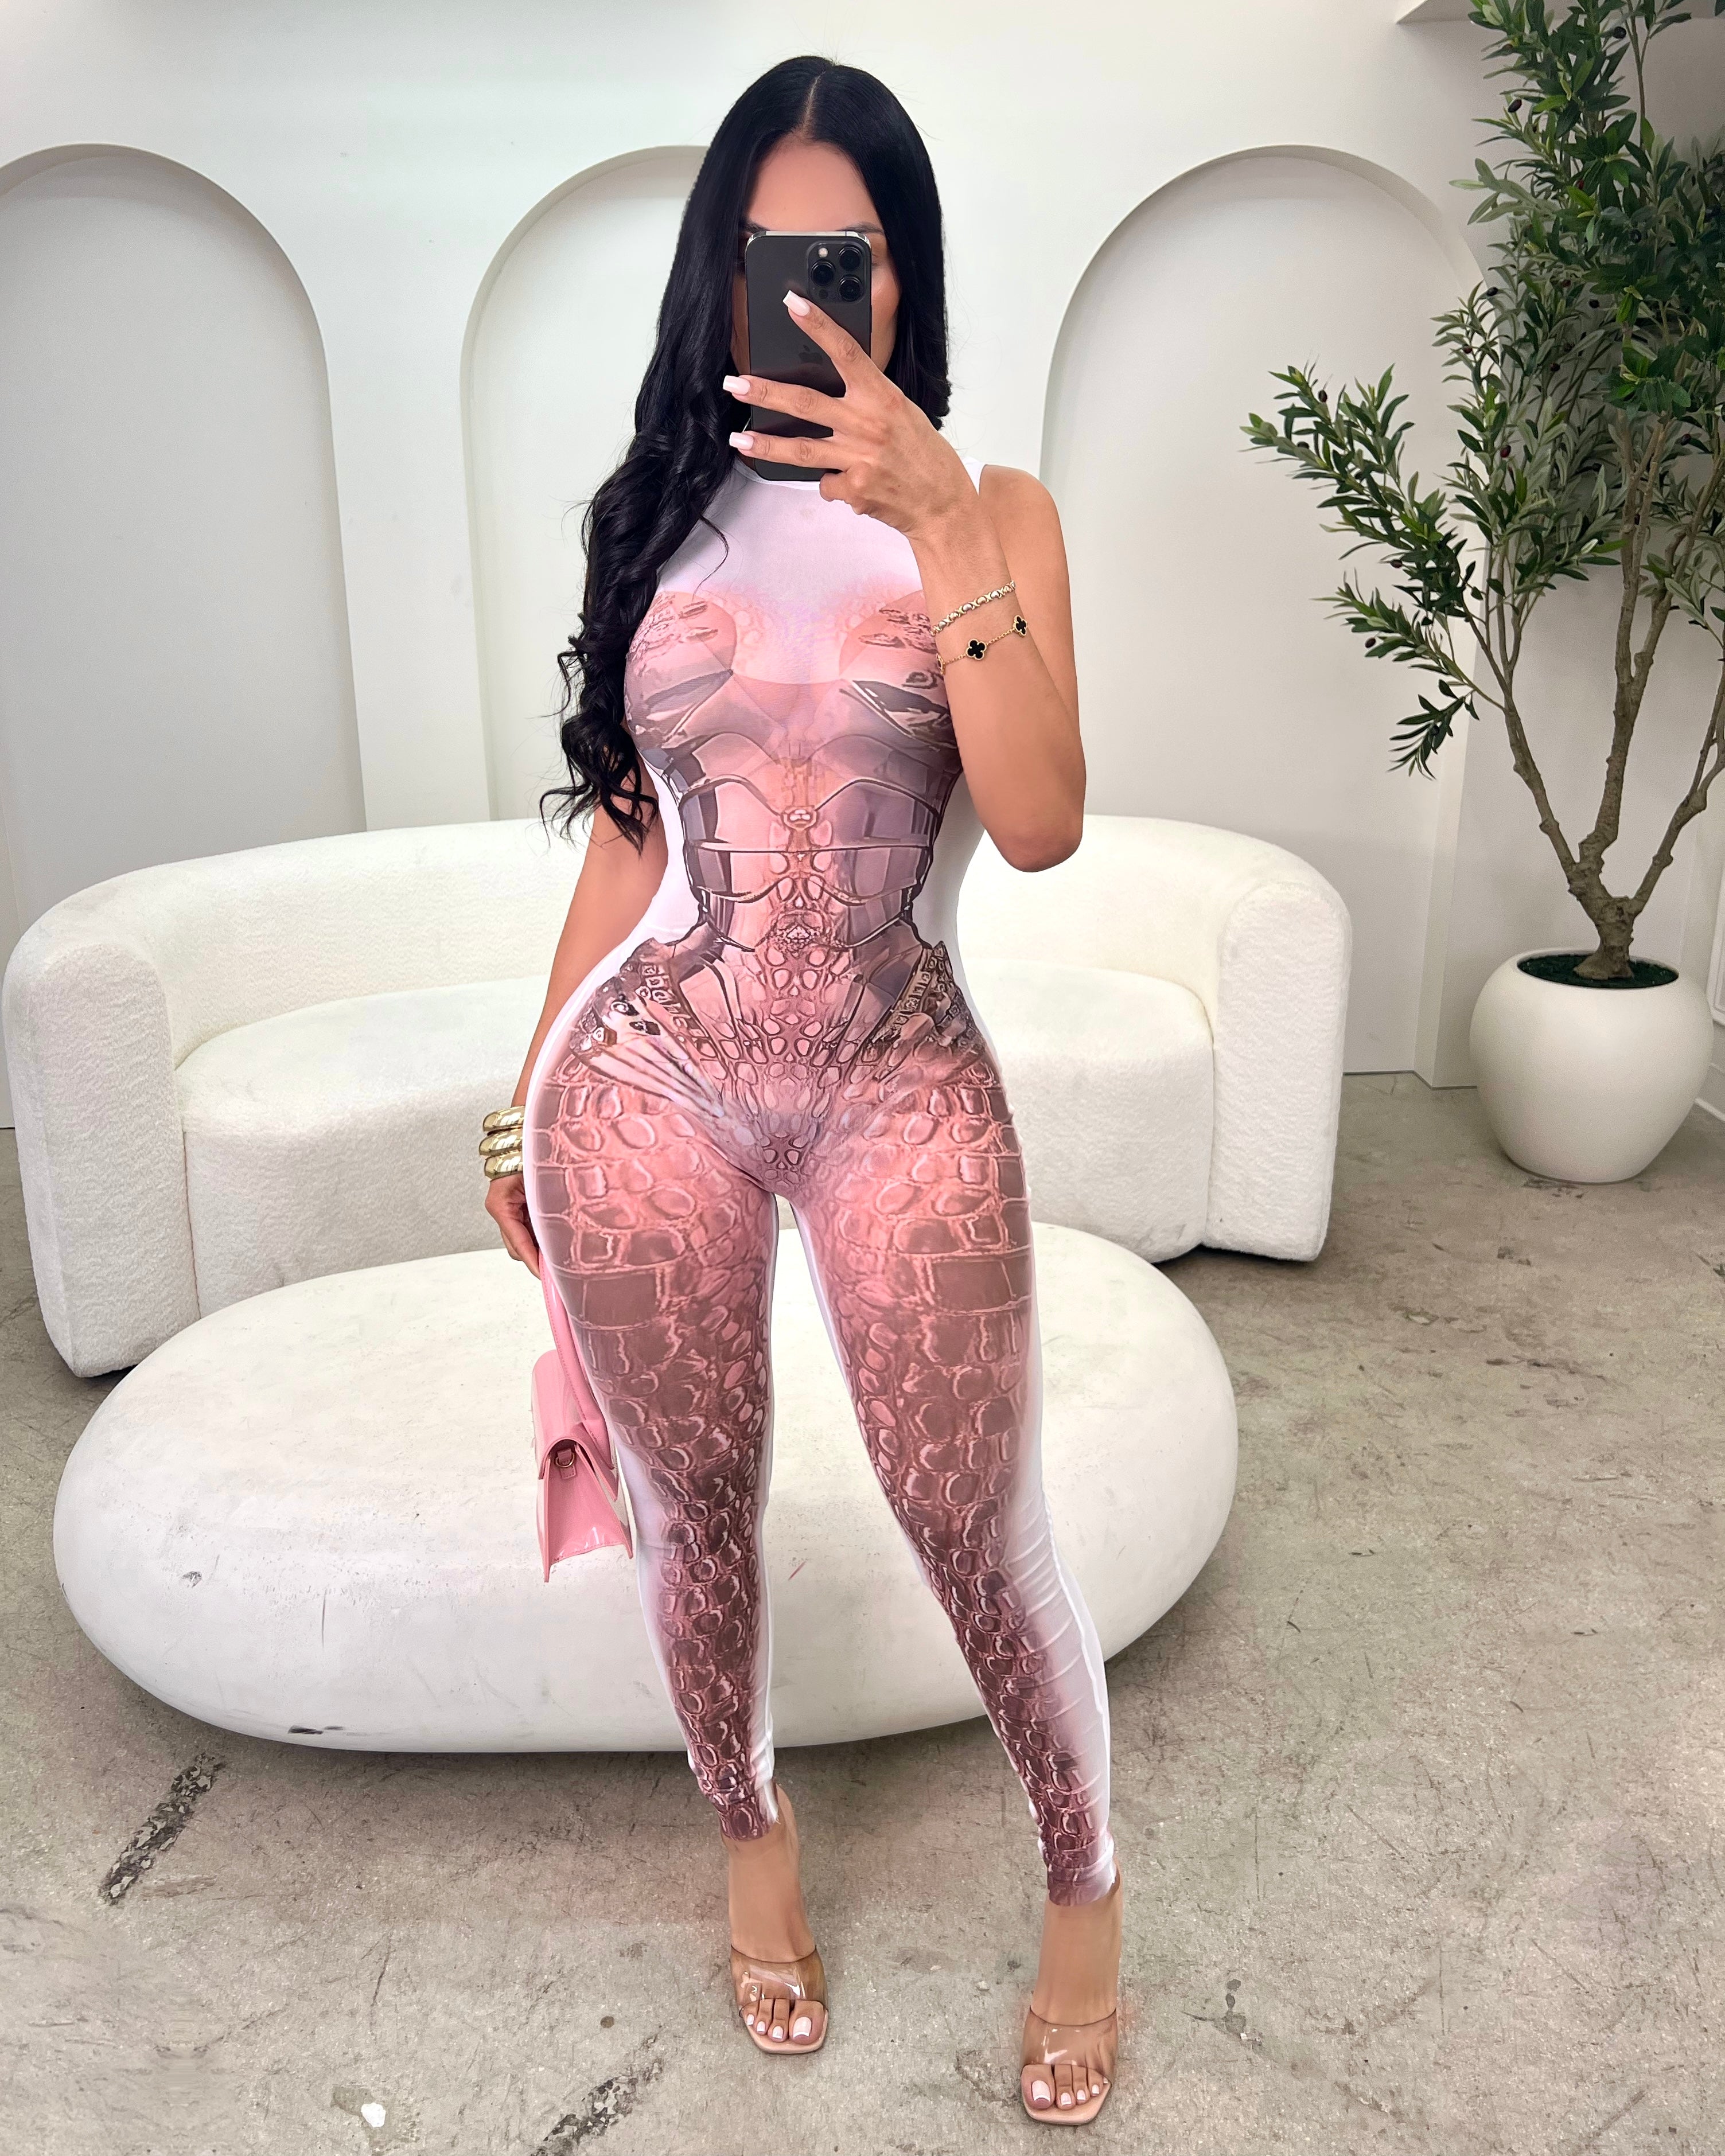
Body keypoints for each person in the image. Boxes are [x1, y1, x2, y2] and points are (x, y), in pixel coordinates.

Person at [481, 53, 1123, 2126]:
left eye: (850, 256)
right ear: (720, 273)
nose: (813, 290)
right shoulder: (657, 515)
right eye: (773, 255)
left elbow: (1040, 822)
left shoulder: (995, 513)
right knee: (698, 1513)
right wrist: (522, 1090)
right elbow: (629, 841)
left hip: (893, 1069)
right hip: (645, 1078)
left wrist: (936, 522)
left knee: (977, 1523)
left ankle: (1085, 1894)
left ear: (904, 278)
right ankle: (752, 1850)